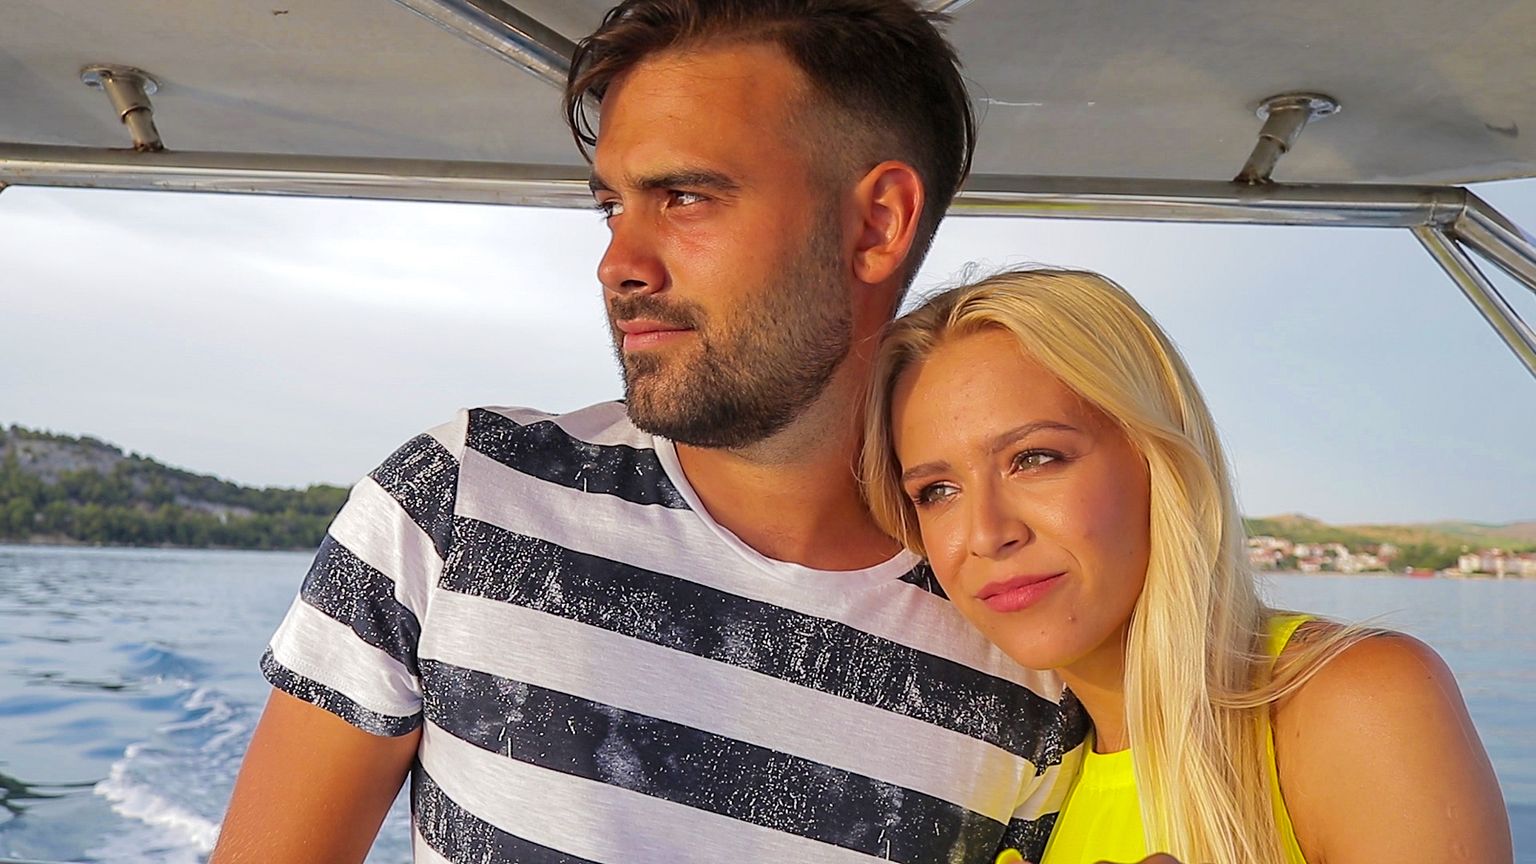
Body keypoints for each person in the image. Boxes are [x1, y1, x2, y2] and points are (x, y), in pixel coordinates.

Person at [209, 3, 1086, 863]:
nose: (617, 264)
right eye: (611, 207)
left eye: (685, 197)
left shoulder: (1029, 648)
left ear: (876, 223)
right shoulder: (455, 501)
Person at [860, 268, 1514, 864]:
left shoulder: (1356, 703)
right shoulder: (1021, 793)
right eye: (936, 491)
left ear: (1157, 457)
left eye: (1034, 459)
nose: (985, 534)